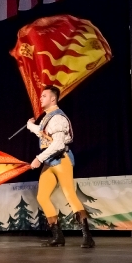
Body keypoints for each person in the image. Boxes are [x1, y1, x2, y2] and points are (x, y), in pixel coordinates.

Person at [27, 85, 95, 248]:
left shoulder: (58, 118)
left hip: (60, 158)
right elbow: (45, 135)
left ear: (53, 99)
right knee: (42, 196)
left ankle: (87, 237)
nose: (40, 98)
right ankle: (58, 235)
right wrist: (30, 126)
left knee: (69, 194)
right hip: (50, 161)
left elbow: (57, 144)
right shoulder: (48, 118)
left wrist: (38, 158)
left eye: (44, 96)